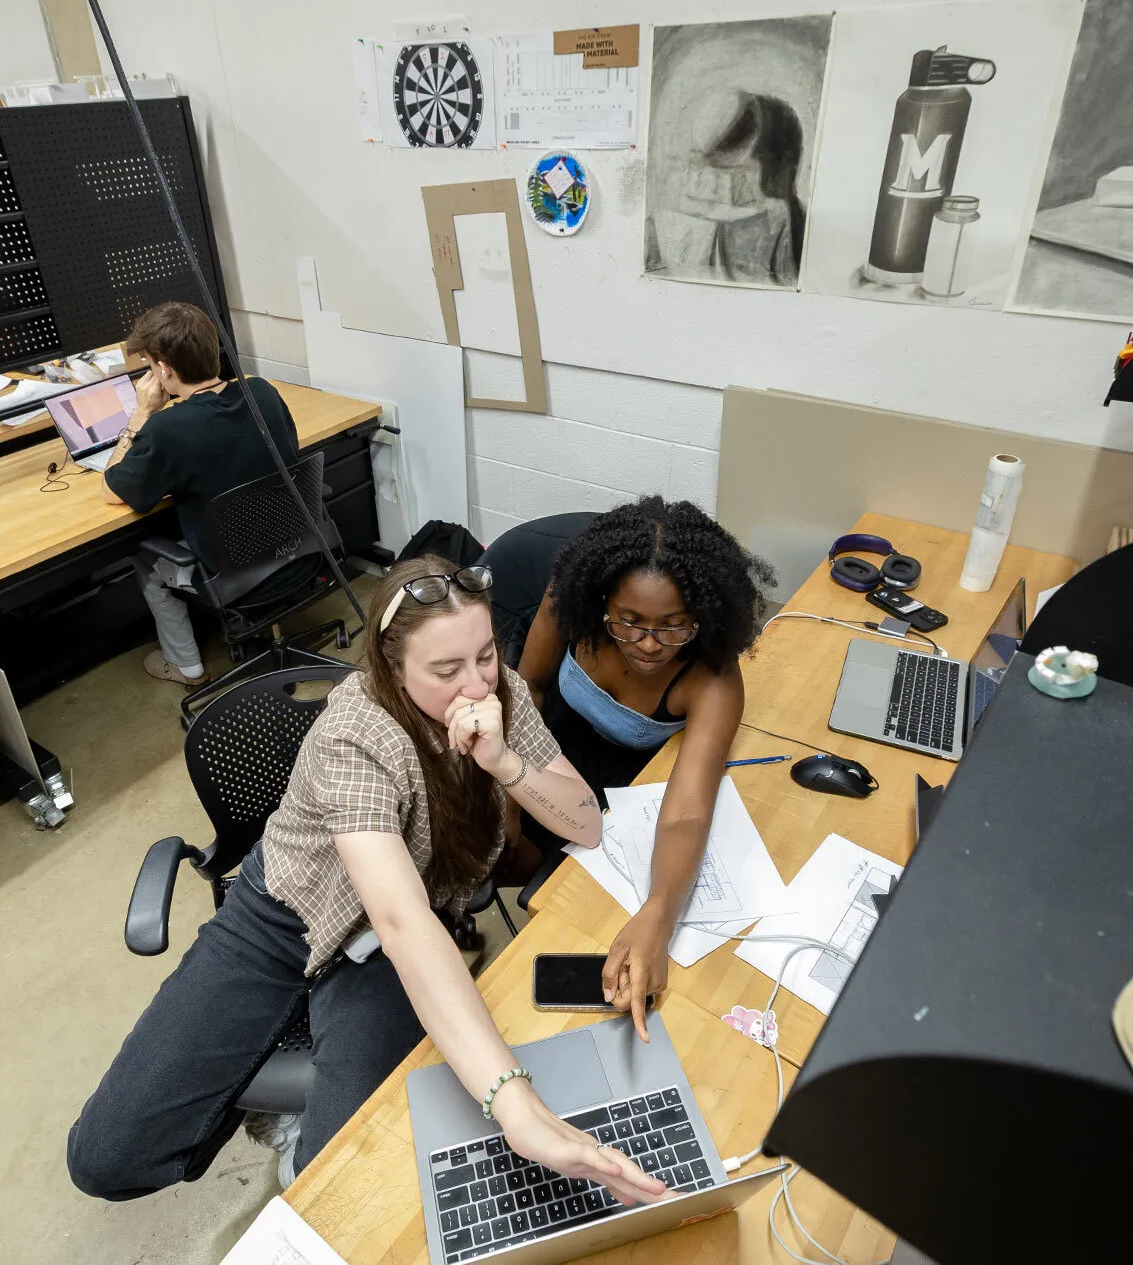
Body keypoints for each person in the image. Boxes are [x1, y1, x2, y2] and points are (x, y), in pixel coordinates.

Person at [67, 556, 672, 1204]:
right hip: (289, 913)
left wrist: (503, 762)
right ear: (390, 669)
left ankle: (295, 1117)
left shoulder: (503, 697)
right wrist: (518, 1108)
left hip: (384, 944)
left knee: (339, 1183)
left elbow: (584, 822)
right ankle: (246, 1082)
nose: (474, 686)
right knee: (106, 1157)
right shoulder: (353, 735)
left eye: (486, 656)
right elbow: (401, 920)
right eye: (446, 670)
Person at [515, 497, 774, 1033]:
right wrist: (513, 787)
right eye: (627, 623)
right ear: (601, 601)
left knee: (574, 910)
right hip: (541, 751)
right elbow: (529, 690)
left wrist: (660, 909)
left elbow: (686, 814)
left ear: (702, 616)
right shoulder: (571, 603)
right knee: (497, 856)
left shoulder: (711, 680)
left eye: (673, 627)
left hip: (619, 795)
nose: (649, 646)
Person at [102, 301, 301, 687]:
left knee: (145, 561)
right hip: (296, 548)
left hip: (233, 575)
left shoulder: (167, 429)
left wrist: (140, 416)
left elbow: (111, 490)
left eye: (148, 365)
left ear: (164, 369)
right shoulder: (262, 393)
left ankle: (186, 666)